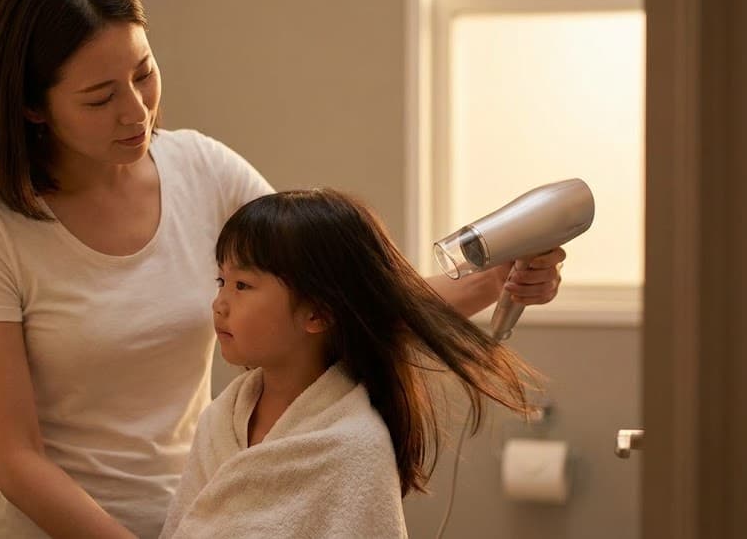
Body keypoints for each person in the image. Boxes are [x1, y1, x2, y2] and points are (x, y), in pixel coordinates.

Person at [0, 0, 566, 538]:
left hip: (195, 517)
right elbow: (16, 459)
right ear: (31, 106)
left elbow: (346, 300)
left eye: (144, 73)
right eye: (100, 97)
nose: (136, 110)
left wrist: (500, 277)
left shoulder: (202, 170)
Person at [159, 189, 542, 538]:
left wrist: (499, 276)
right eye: (220, 281)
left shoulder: (354, 446)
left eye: (242, 285)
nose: (219, 304)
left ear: (317, 314)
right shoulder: (219, 420)